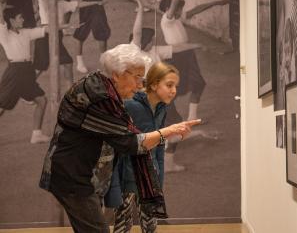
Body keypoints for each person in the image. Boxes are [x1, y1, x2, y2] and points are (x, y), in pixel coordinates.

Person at [39, 43, 201, 233]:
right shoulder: (102, 99)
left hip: (79, 173)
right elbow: (132, 143)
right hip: (73, 178)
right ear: (117, 74)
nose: (140, 84)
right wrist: (169, 131)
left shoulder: (98, 82)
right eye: (137, 77)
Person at [160, 0, 227, 171]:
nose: (180, 9)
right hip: (177, 57)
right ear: (170, 10)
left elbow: (196, 10)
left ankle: (189, 118)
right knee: (174, 92)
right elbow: (174, 4)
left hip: (187, 55)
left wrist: (216, 3)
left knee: (199, 84)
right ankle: (167, 127)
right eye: (177, 7)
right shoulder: (167, 19)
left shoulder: (178, 18)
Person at [107, 62, 181, 233]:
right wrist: (116, 185)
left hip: (150, 180)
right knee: (122, 225)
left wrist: (159, 179)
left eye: (175, 86)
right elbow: (117, 146)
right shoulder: (130, 105)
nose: (174, 91)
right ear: (154, 84)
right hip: (128, 180)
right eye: (169, 85)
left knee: (150, 227)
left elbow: (160, 147)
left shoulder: (162, 109)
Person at [34, 0, 103, 88]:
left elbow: (79, 4)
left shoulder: (62, 3)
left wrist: (97, 2)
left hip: (57, 37)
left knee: (68, 62)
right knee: (40, 68)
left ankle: (71, 90)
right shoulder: (44, 1)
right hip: (44, 37)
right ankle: (27, 85)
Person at [0, 2, 49, 143]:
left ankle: (36, 135)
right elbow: (1, 21)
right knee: (2, 106)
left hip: (27, 71)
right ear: (12, 20)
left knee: (41, 100)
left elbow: (44, 30)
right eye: (20, 17)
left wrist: (64, 28)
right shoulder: (4, 35)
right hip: (15, 73)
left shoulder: (25, 33)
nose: (22, 20)